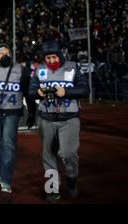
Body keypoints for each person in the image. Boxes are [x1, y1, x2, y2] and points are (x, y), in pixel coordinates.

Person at [28, 40, 89, 202]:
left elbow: (85, 89)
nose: (51, 61)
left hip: (69, 119)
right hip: (46, 119)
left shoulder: (72, 67)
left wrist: (66, 92)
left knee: (68, 154)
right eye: (48, 58)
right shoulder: (40, 69)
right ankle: (52, 189)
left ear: (60, 55)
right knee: (48, 155)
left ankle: (72, 178)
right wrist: (38, 92)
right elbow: (31, 91)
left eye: (54, 57)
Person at [0, 43, 36, 193]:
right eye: (0, 53)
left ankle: (6, 180)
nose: (4, 55)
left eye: (7, 53)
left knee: (8, 145)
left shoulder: (20, 70)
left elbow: (28, 92)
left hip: (12, 113)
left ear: (11, 54)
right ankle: (2, 173)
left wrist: (31, 112)